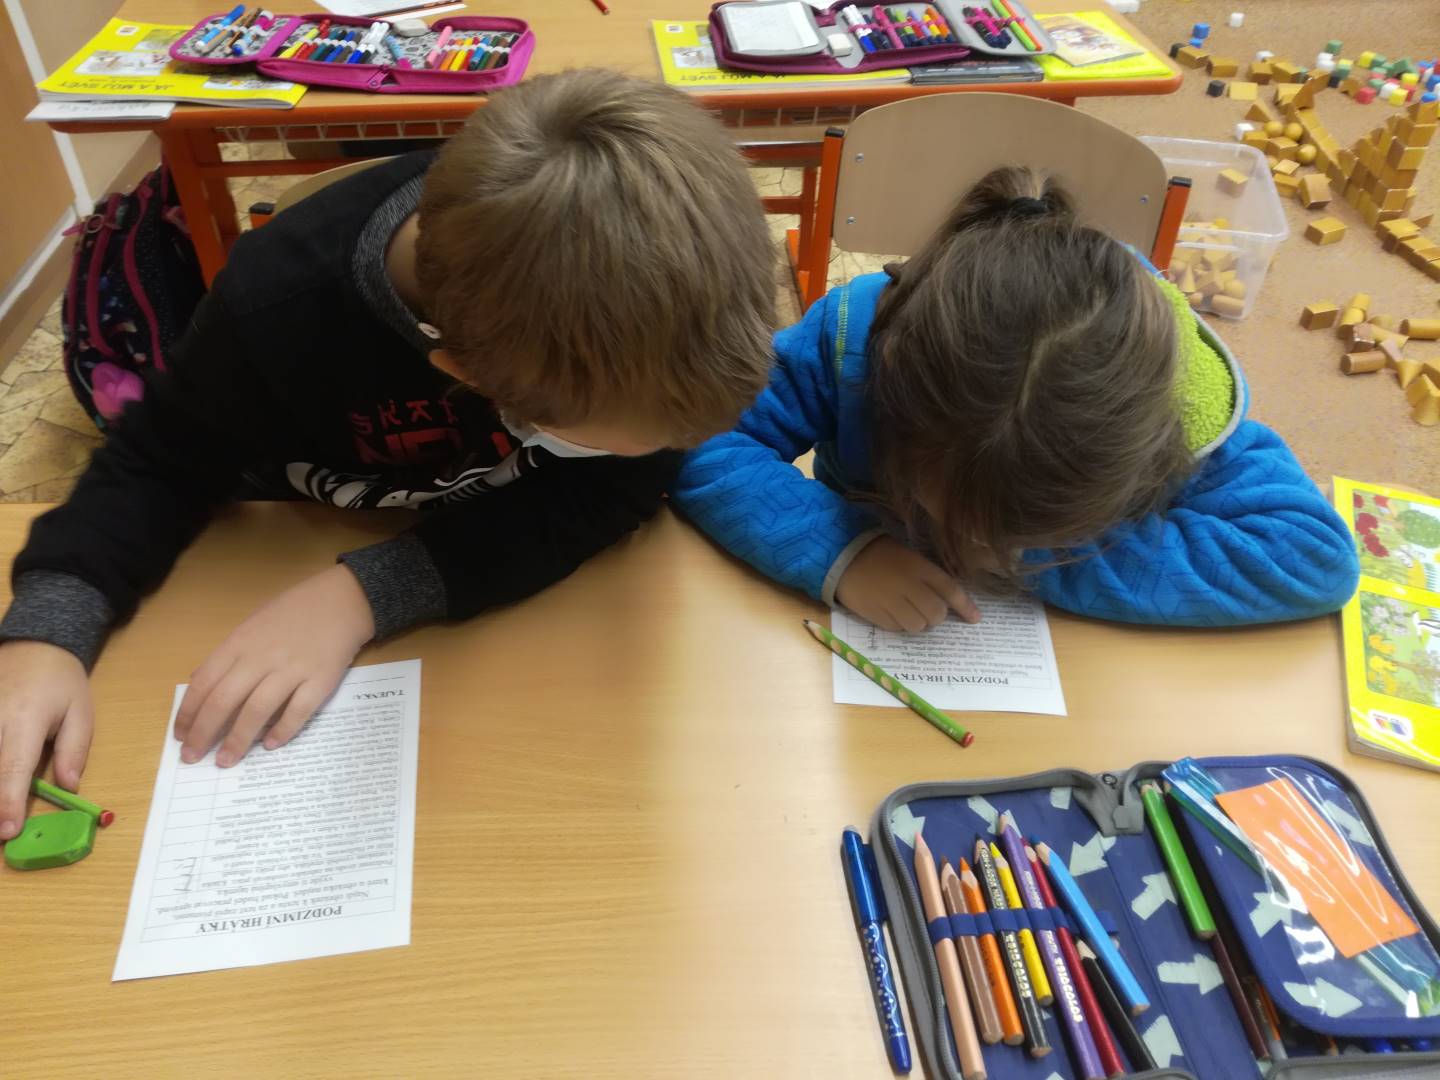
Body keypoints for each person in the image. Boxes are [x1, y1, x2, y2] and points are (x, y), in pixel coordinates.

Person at [0, 69, 777, 839]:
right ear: (464, 376)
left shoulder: (640, 350)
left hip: (454, 631)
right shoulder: (272, 310)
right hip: (274, 551)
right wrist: (47, 630)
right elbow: (157, 463)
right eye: (595, 440)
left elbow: (621, 486)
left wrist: (367, 593)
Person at [673, 165, 1359, 636]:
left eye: (1017, 531)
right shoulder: (854, 342)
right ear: (892, 395)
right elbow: (701, 435)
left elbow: (1313, 557)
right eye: (946, 513)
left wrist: (1029, 564)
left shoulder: (1170, 402)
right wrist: (842, 552)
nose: (967, 545)